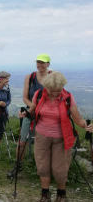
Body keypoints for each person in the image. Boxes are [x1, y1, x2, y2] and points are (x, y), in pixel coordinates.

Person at [23, 71, 93, 202]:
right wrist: (25, 113)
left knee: (60, 169)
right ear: (46, 86)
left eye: (58, 91)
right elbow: (32, 109)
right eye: (52, 91)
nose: (55, 93)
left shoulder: (67, 97)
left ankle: (61, 195)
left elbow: (77, 119)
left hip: (62, 138)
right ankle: (45, 195)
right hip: (41, 135)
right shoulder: (38, 95)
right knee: (42, 166)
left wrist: (86, 125)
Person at [17, 53, 52, 166]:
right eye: (38, 62)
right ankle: (19, 164)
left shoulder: (53, 76)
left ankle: (43, 167)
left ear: (48, 64)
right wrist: (33, 107)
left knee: (45, 142)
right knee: (22, 140)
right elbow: (25, 98)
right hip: (31, 112)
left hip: (47, 114)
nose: (39, 64)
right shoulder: (30, 77)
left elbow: (58, 97)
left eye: (42, 62)